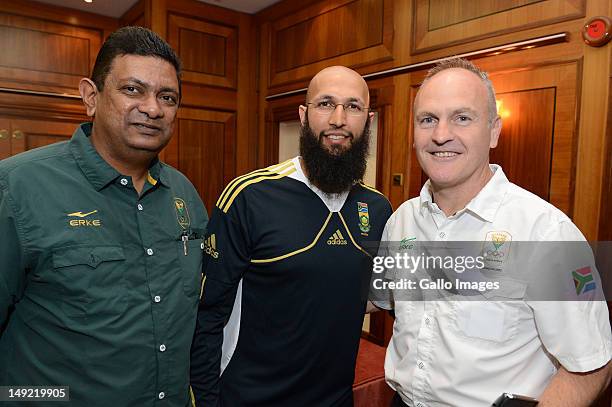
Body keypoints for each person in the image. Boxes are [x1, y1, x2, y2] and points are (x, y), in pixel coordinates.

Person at [373, 57, 612, 407]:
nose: (441, 135)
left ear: (494, 130)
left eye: (462, 118)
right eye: (428, 119)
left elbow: (590, 368)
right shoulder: (402, 221)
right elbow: (391, 307)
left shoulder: (547, 234)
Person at [0, 27, 207, 406]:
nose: (153, 108)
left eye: (168, 97)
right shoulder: (17, 188)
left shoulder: (185, 195)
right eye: (133, 90)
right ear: (90, 97)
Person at [190, 66, 393, 406]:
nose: (338, 119)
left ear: (368, 121)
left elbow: (374, 295)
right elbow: (207, 315)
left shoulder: (378, 208)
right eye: (325, 104)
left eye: (353, 106)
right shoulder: (249, 196)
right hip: (249, 398)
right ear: (303, 115)